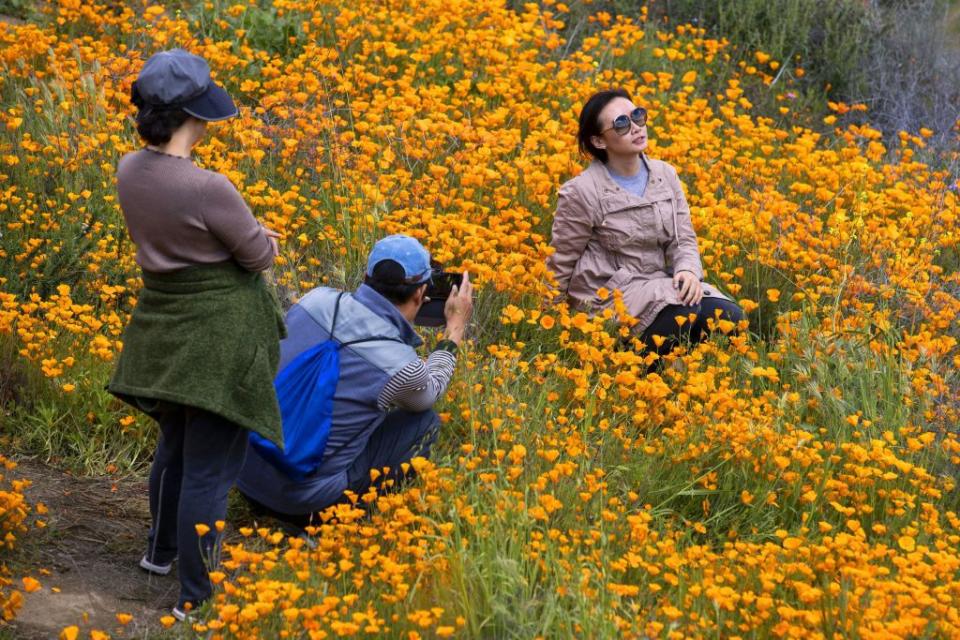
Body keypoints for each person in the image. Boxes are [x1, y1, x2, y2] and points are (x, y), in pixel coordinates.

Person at [107, 49, 285, 620]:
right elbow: (256, 256)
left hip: (163, 323)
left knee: (176, 446)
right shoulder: (210, 186)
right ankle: (196, 596)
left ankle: (159, 553)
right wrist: (265, 238)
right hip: (219, 335)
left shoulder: (128, 168)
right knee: (210, 468)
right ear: (191, 116)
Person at [237, 234, 473, 532]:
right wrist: (454, 331)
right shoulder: (401, 365)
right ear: (420, 294)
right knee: (424, 423)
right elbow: (432, 389)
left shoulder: (315, 299)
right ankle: (341, 520)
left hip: (241, 472)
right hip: (304, 505)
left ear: (366, 277)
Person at [547, 88, 743, 357]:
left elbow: (682, 238)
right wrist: (549, 324)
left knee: (729, 316)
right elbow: (561, 261)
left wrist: (687, 271)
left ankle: (684, 374)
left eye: (637, 116)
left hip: (655, 284)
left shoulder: (665, 174)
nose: (636, 128)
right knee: (682, 311)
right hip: (608, 296)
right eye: (622, 124)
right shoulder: (582, 191)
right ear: (599, 141)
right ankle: (638, 369)